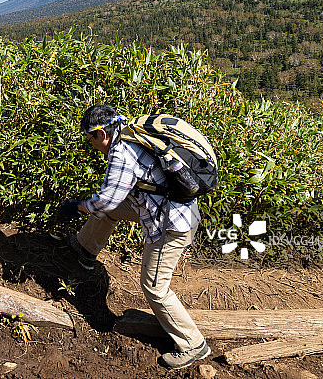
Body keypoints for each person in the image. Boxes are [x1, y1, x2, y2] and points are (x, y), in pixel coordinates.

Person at [58, 104, 210, 370]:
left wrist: (77, 206)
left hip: (170, 225)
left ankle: (193, 344)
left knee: (154, 286)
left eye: (90, 138)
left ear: (101, 134)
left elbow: (104, 200)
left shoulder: (121, 152)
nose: (91, 144)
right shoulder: (132, 132)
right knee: (112, 209)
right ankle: (85, 249)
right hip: (168, 210)